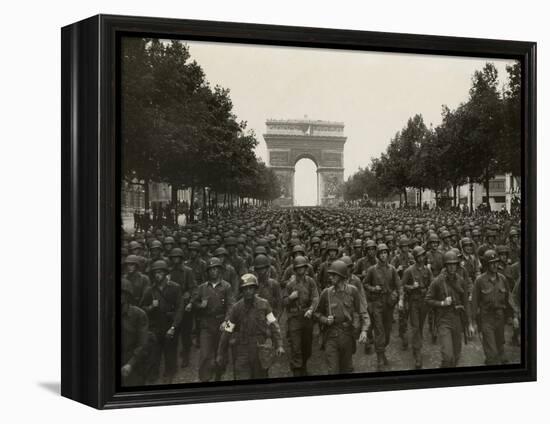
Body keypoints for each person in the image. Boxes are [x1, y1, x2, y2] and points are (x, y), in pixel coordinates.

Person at [217, 274, 285, 380]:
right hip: (242, 349)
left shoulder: (264, 304)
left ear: (255, 289)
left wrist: (279, 344)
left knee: (260, 378)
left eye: (251, 288)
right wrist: (221, 352)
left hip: (260, 348)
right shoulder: (236, 308)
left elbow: (273, 325)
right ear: (242, 291)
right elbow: (227, 331)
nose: (248, 291)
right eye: (245, 289)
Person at [314, 260, 369, 374]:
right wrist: (325, 320)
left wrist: (364, 330)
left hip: (347, 336)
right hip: (331, 336)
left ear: (341, 276)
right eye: (330, 275)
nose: (330, 277)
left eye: (334, 275)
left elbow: (363, 312)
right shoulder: (326, 293)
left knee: (346, 369)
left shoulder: (352, 291)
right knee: (332, 370)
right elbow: (317, 313)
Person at [425, 251, 473, 368]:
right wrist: (442, 303)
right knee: (447, 355)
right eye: (449, 264)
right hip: (443, 319)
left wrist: (470, 323)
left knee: (456, 354)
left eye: (454, 264)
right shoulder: (438, 281)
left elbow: (466, 303)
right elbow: (428, 299)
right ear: (445, 266)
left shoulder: (461, 280)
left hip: (457, 319)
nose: (452, 267)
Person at [140, 260, 184, 384]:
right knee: (155, 353)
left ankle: (169, 373)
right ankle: (153, 374)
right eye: (155, 273)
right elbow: (141, 308)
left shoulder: (175, 288)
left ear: (165, 273)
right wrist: (150, 307)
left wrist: (174, 327)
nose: (157, 275)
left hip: (170, 324)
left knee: (170, 352)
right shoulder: (150, 290)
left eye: (160, 272)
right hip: (155, 326)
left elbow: (180, 308)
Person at [193, 257, 235, 382]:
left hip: (222, 322)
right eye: (211, 269)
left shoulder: (227, 286)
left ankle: (219, 374)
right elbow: (193, 303)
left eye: (216, 269)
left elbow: (231, 306)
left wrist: (226, 321)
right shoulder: (202, 288)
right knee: (205, 354)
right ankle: (204, 379)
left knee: (221, 351)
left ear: (220, 270)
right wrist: (201, 305)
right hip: (206, 323)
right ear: (208, 272)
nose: (213, 272)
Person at [363, 243, 404, 371]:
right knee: (379, 331)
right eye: (381, 253)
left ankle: (382, 350)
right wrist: (373, 288)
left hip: (389, 304)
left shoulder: (392, 269)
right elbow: (365, 284)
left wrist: (400, 298)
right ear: (378, 255)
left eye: (385, 253)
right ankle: (380, 358)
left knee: (386, 333)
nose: (383, 255)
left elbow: (399, 286)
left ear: (388, 254)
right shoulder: (372, 270)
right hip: (377, 304)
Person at [471, 250, 514, 365]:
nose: (495, 265)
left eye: (496, 262)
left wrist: (512, 316)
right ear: (486, 265)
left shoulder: (502, 279)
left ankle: (492, 359)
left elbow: (508, 299)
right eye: (492, 263)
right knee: (492, 351)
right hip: (486, 318)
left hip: (500, 316)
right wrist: (473, 323)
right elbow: (474, 302)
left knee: (500, 344)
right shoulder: (479, 281)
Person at [283, 255, 319, 376]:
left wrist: (311, 309)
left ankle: (303, 366)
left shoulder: (310, 281)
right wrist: (290, 298)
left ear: (306, 268)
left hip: (307, 317)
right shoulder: (290, 284)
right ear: (295, 269)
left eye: (302, 267)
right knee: (296, 346)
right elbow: (283, 302)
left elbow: (315, 297)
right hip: (294, 318)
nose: (300, 270)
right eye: (298, 268)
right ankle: (297, 371)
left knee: (307, 346)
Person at [401, 246, 433, 368]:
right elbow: (402, 285)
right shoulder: (409, 271)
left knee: (420, 325)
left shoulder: (427, 270)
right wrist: (411, 287)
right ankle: (418, 352)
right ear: (415, 258)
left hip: (424, 302)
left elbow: (432, 284)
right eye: (418, 256)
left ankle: (417, 344)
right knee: (415, 327)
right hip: (413, 302)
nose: (421, 258)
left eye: (422, 256)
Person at [121, 278, 149, 386]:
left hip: (133, 361)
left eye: (122, 293)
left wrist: (130, 364)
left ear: (127, 296)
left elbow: (143, 343)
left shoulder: (138, 314)